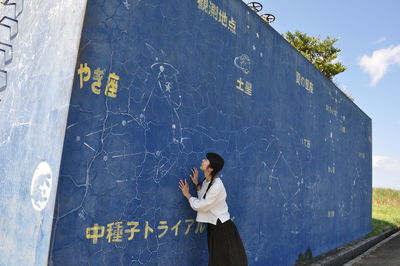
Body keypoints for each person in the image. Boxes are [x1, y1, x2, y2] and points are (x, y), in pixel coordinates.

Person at [178, 152, 248, 266]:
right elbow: (204, 197)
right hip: (216, 225)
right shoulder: (208, 181)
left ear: (210, 169)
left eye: (206, 160)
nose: (203, 161)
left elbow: (203, 205)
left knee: (224, 260)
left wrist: (188, 195)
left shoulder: (217, 185)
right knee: (219, 259)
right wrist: (197, 185)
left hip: (222, 227)